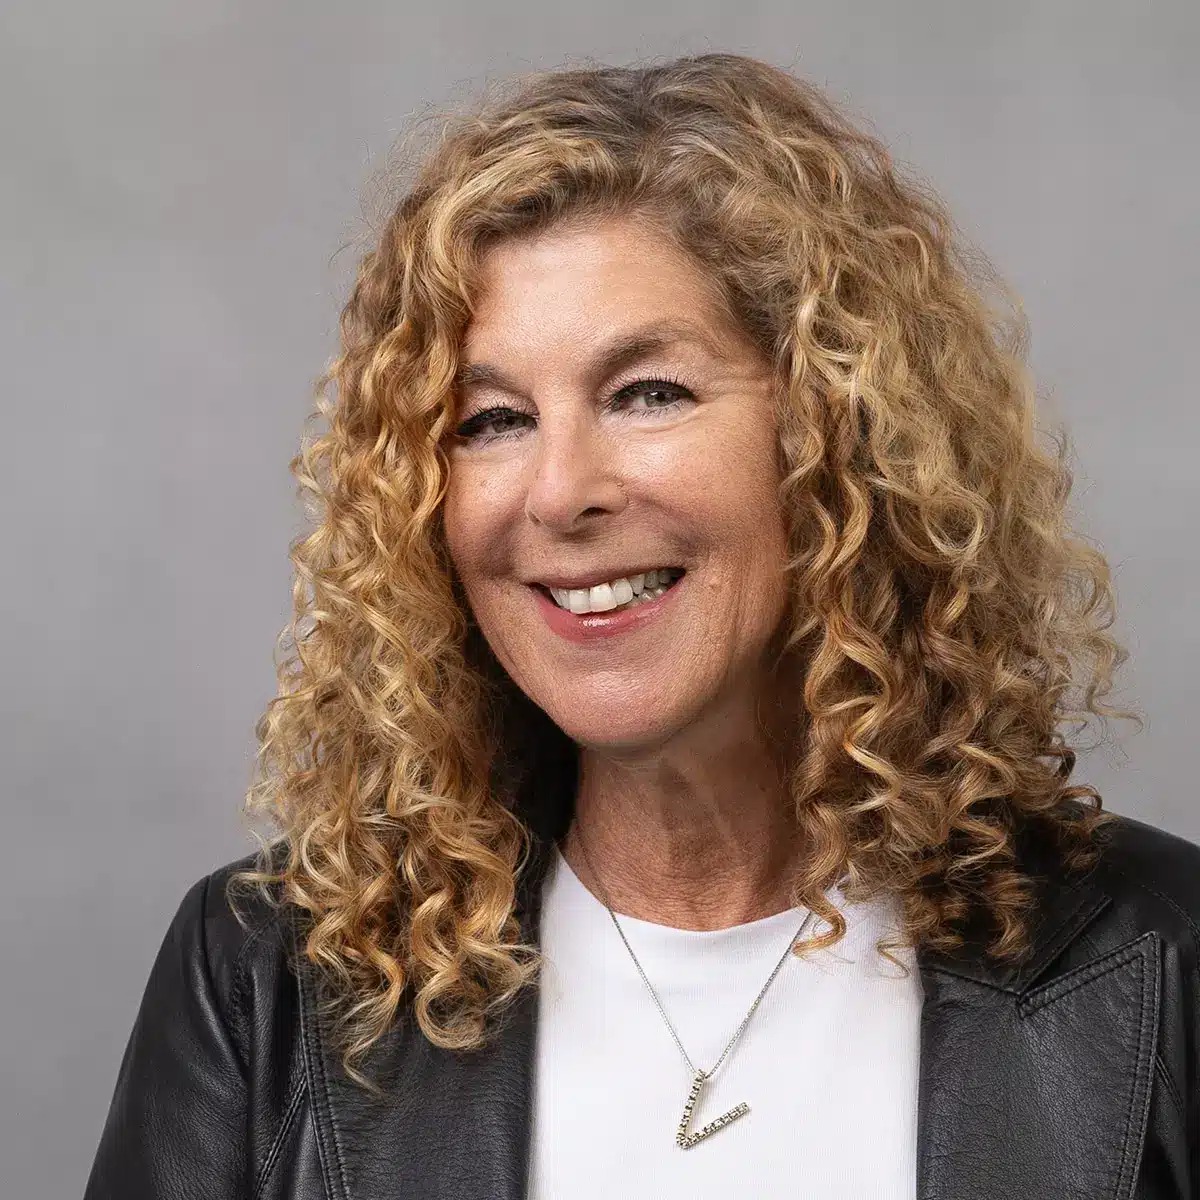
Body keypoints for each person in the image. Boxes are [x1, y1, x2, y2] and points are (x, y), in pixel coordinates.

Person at [83, 53, 1199, 1199]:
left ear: (840, 437)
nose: (560, 492)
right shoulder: (264, 978)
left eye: (647, 394)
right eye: (493, 420)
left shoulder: (1164, 962)